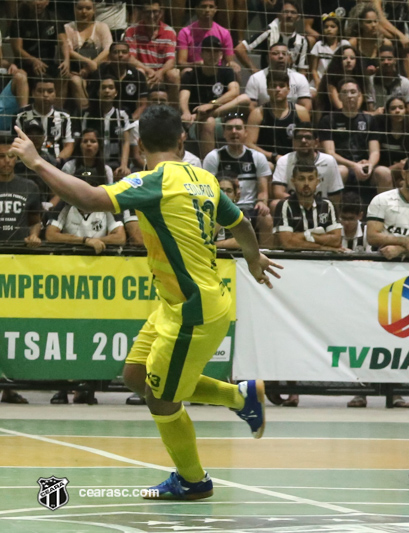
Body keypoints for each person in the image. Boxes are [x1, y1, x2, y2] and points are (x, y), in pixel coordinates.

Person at [10, 104, 283, 500]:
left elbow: (87, 199)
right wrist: (254, 257)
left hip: (194, 308)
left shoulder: (154, 181)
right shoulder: (203, 178)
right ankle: (240, 396)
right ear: (182, 140)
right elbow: (241, 223)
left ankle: (193, 480)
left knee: (162, 397)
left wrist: (36, 161)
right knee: (136, 376)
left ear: (139, 144)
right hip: (179, 303)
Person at [203, 113, 273, 246]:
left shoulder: (257, 157)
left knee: (267, 218)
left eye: (238, 128)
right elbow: (208, 190)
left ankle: (266, 254)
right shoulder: (214, 157)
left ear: (246, 132)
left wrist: (262, 202)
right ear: (224, 133)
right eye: (229, 128)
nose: (234, 132)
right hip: (223, 206)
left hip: (250, 208)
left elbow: (263, 192)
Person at [317, 79, 385, 201]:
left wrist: (370, 164)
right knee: (341, 171)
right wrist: (354, 166)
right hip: (343, 166)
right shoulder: (328, 120)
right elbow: (330, 153)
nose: (349, 96)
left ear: (359, 95)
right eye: (345, 92)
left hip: (364, 165)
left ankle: (385, 216)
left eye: (353, 92)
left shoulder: (370, 120)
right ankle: (334, 215)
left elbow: (375, 151)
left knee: (383, 172)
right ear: (339, 96)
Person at [179, 35, 240, 159]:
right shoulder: (191, 74)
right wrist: (185, 112)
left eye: (216, 51)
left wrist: (211, 105)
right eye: (208, 51)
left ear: (221, 55)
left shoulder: (226, 72)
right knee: (209, 121)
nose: (213, 55)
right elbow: (183, 97)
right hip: (198, 121)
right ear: (201, 54)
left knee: (245, 100)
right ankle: (209, 169)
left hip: (221, 116)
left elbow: (235, 92)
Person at [45, 167, 126, 254]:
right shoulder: (65, 204)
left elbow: (120, 238)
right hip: (70, 258)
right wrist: (85, 241)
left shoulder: (106, 205)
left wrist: (94, 241)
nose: (86, 191)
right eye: (82, 186)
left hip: (99, 258)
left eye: (90, 186)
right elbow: (50, 235)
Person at [271, 123, 344, 210]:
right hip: (293, 206)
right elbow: (278, 193)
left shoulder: (329, 161)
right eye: (299, 137)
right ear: (293, 142)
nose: (303, 140)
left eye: (308, 137)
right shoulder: (284, 160)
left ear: (316, 142)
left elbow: (335, 196)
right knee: (274, 204)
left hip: (320, 207)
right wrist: (304, 202)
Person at [273, 164, 344, 251]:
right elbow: (288, 243)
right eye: (301, 179)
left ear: (317, 181)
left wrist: (306, 235)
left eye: (311, 179)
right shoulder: (284, 205)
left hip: (323, 261)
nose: (306, 183)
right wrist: (324, 247)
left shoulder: (327, 205)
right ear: (293, 181)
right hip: (294, 260)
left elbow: (336, 240)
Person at [246, 69, 310, 164]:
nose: (277, 89)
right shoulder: (257, 113)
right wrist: (273, 157)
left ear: (288, 89)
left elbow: (308, 140)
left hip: (295, 161)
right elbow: (249, 144)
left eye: (282, 86)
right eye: (273, 86)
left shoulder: (301, 112)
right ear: (267, 90)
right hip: (267, 162)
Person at [60, 0, 113, 112]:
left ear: (94, 10)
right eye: (80, 8)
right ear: (74, 9)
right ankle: (87, 114)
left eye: (88, 8)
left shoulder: (102, 26)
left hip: (99, 71)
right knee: (75, 81)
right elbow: (67, 50)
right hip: (75, 70)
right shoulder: (67, 27)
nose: (84, 12)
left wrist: (91, 66)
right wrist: (88, 63)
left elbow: (108, 49)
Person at [124, 1, 180, 104]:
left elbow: (171, 61)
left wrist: (160, 72)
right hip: (143, 72)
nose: (152, 16)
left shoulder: (169, 32)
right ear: (142, 13)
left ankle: (174, 112)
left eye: (155, 12)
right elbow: (130, 58)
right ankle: (140, 110)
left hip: (161, 73)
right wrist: (149, 71)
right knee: (139, 72)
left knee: (174, 75)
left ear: (161, 12)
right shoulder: (132, 31)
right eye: (148, 12)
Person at [236, 0, 309, 77]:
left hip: (291, 82)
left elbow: (302, 71)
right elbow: (239, 49)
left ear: (298, 17)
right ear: (279, 15)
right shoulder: (269, 32)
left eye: (293, 12)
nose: (289, 15)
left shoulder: (302, 41)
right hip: (269, 80)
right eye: (285, 12)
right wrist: (256, 73)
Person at [370, 96, 409, 187]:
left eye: (401, 108)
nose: (397, 111)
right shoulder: (379, 131)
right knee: (383, 173)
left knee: (406, 184)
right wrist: (396, 167)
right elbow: (374, 153)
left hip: (406, 174)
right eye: (393, 108)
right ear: (387, 112)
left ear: (406, 110)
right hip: (382, 173)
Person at [14, 78, 74, 163]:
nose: (45, 95)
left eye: (50, 91)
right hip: (27, 162)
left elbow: (69, 145)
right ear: (33, 93)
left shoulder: (64, 116)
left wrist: (57, 161)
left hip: (55, 162)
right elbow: (15, 143)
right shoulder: (20, 116)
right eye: (40, 91)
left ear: (55, 94)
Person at [243, 42, 312, 110]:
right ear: (267, 58)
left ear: (289, 58)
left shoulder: (300, 78)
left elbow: (306, 106)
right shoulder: (255, 78)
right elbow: (251, 106)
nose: (280, 56)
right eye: (275, 53)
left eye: (284, 54)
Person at [80, 77, 131, 170]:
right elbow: (83, 140)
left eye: (111, 88)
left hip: (116, 163)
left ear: (116, 92)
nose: (107, 91)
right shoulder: (87, 115)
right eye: (103, 88)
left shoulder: (122, 115)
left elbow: (126, 142)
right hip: (93, 164)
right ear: (98, 92)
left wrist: (123, 165)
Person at [90, 41, 149, 120]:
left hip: (131, 119)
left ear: (129, 56)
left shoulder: (138, 76)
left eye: (124, 52)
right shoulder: (100, 74)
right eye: (116, 52)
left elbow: (143, 104)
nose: (120, 55)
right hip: (104, 118)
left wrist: (129, 121)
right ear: (109, 56)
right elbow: (93, 101)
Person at [0, 142, 42, 247]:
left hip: (20, 252)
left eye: (11, 156)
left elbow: (35, 221)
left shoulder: (30, 187)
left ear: (17, 158)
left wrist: (33, 236)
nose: (7, 161)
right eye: (1, 156)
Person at [176, 0, 238, 72]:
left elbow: (229, 61)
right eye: (203, 6)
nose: (207, 10)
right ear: (196, 8)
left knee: (235, 70)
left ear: (215, 9)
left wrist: (232, 65)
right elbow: (181, 63)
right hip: (194, 71)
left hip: (217, 71)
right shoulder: (185, 32)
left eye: (211, 7)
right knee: (186, 71)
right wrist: (198, 64)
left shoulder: (224, 33)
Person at [370, 46, 409, 124]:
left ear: (395, 60)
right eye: (382, 59)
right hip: (376, 124)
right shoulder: (369, 82)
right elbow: (370, 111)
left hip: (399, 125)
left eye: (389, 59)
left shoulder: (406, 83)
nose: (386, 62)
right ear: (377, 61)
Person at [309, 13, 349, 89]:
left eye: (333, 27)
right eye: (326, 27)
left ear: (338, 29)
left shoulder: (344, 44)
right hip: (320, 81)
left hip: (339, 82)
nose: (329, 29)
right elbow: (313, 69)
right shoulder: (319, 45)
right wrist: (318, 83)